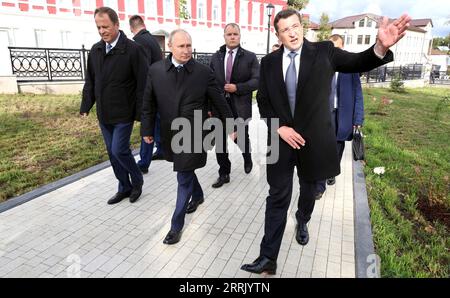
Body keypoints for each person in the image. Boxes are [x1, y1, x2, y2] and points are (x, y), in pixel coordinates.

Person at [241, 8, 410, 275]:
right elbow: (263, 101)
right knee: (276, 197)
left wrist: (379, 47)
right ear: (278, 34)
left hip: (314, 143)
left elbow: (356, 62)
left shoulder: (324, 52)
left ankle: (302, 219)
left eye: (295, 26)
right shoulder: (269, 62)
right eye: (285, 30)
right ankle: (268, 257)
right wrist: (279, 128)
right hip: (281, 141)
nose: (292, 32)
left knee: (309, 193)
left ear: (302, 26)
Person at [141, 29, 233, 245]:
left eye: (189, 45)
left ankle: (176, 225)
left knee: (182, 176)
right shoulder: (156, 71)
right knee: (186, 170)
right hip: (169, 132)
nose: (186, 50)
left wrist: (230, 124)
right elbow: (148, 103)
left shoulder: (202, 72)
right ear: (170, 47)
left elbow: (219, 99)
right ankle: (199, 195)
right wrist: (146, 130)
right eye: (181, 46)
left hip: (193, 132)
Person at [80, 7, 148, 205]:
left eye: (106, 26)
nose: (102, 31)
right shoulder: (96, 50)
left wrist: (141, 114)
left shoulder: (133, 50)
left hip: (124, 112)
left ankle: (137, 180)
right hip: (104, 112)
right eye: (98, 27)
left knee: (120, 150)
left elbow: (143, 84)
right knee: (112, 153)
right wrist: (86, 105)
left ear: (117, 25)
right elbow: (90, 81)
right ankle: (123, 187)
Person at [208, 23, 259, 188]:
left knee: (241, 138)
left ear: (240, 36)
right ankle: (224, 173)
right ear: (224, 36)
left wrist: (238, 87)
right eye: (229, 34)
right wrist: (209, 107)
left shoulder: (250, 57)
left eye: (235, 34)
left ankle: (247, 157)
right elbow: (209, 84)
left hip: (239, 106)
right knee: (220, 142)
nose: (232, 37)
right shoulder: (216, 58)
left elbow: (257, 80)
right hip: (219, 107)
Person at [317, 34, 365, 192]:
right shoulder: (321, 65)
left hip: (343, 115)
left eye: (336, 48)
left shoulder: (350, 67)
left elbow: (358, 93)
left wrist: (358, 118)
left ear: (342, 47)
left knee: (338, 145)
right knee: (323, 146)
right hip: (325, 113)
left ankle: (332, 170)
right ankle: (319, 186)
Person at [129, 15, 164, 174]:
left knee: (147, 124)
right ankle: (162, 149)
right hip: (158, 87)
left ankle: (143, 163)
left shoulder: (139, 42)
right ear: (143, 24)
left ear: (131, 28)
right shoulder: (153, 40)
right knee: (156, 120)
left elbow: (142, 70)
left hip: (148, 90)